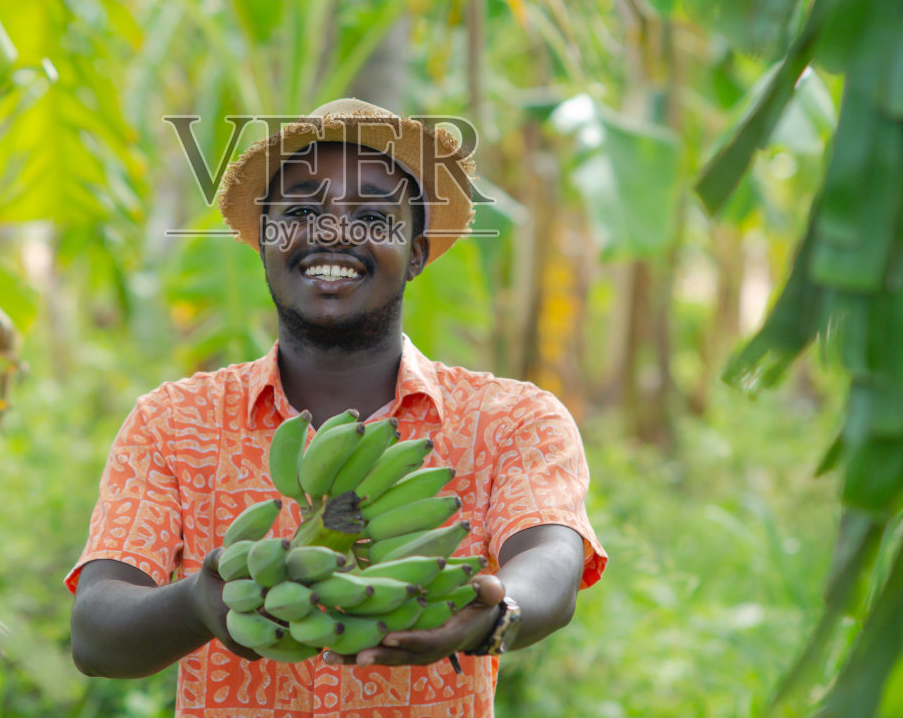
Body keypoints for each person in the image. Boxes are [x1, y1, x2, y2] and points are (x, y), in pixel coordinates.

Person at [67, 98, 605, 716]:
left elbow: (552, 565)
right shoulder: (173, 423)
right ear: (263, 243)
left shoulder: (511, 420)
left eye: (374, 215)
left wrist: (490, 616)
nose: (333, 232)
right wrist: (197, 603)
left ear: (419, 252)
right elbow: (97, 633)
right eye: (298, 211)